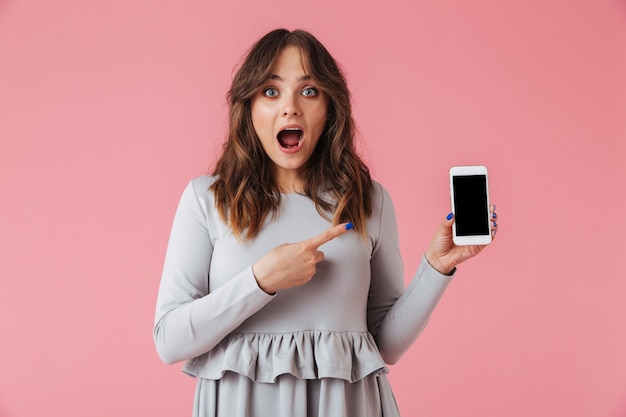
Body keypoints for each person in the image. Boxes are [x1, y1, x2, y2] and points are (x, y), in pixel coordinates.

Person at [153, 28, 498, 417]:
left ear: (330, 107)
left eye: (309, 90)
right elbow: (170, 340)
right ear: (248, 107)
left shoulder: (369, 201)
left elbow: (386, 346)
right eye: (270, 91)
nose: (290, 108)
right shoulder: (207, 199)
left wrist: (438, 266)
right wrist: (261, 280)